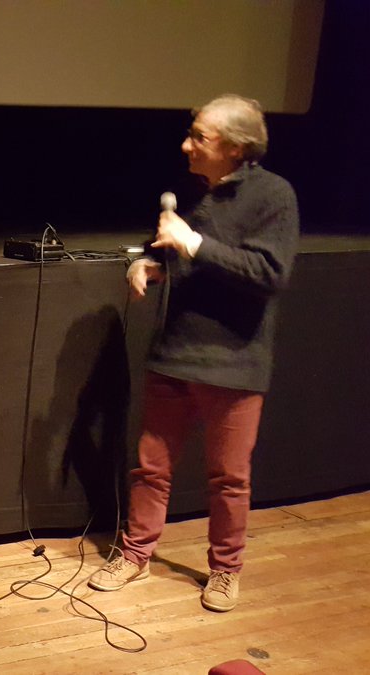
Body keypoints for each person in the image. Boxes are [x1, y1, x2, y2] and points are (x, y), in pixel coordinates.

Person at [88, 95, 300, 612]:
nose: (187, 144)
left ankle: (225, 571)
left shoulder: (274, 195)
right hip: (176, 354)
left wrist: (194, 245)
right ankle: (135, 555)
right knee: (150, 469)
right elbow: (173, 251)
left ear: (233, 147)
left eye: (199, 137)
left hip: (233, 363)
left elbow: (270, 274)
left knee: (229, 479)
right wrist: (149, 264)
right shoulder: (195, 191)